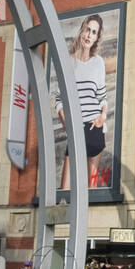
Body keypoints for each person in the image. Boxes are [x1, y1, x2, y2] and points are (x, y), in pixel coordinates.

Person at [56, 14, 109, 190]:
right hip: (75, 129)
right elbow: (58, 99)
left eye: (94, 32)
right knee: (65, 190)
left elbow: (102, 96)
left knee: (90, 189)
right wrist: (66, 122)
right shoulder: (68, 62)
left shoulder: (98, 62)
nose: (89, 35)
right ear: (82, 31)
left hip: (95, 128)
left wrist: (102, 117)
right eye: (87, 29)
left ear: (96, 38)